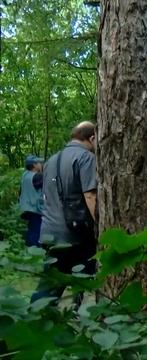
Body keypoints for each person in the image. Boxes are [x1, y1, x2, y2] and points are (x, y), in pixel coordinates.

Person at [31, 121, 98, 305]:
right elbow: (91, 196)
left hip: (50, 232)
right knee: (90, 277)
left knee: (50, 284)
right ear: (92, 137)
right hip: (76, 235)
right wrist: (103, 227)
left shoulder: (52, 160)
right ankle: (84, 314)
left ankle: (35, 319)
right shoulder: (86, 158)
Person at [19, 155, 44, 247]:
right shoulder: (37, 177)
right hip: (35, 209)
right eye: (39, 163)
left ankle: (29, 252)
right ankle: (35, 254)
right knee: (37, 234)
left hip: (27, 208)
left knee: (32, 231)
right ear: (34, 165)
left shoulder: (25, 175)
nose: (41, 164)